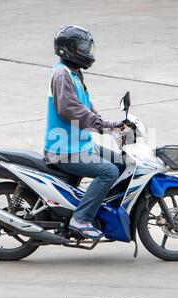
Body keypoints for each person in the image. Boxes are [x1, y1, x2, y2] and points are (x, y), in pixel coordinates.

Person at [44, 25, 126, 239]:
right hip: (64, 149)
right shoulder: (62, 74)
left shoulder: (74, 73)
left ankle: (103, 210)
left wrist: (112, 125)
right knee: (109, 172)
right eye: (81, 47)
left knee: (120, 162)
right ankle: (81, 218)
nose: (86, 52)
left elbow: (87, 107)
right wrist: (104, 125)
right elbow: (69, 109)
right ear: (67, 49)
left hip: (79, 144)